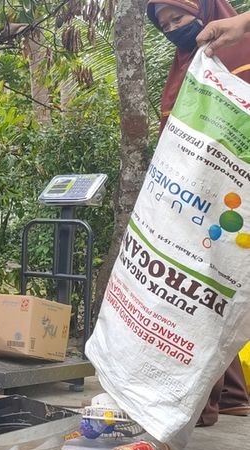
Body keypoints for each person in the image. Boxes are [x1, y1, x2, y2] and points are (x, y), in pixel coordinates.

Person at [147, 0, 250, 426]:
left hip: (231, 190)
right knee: (205, 289)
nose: (174, 27)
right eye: (165, 23)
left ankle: (199, 404)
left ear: (205, 10)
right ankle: (230, 396)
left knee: (200, 292)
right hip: (197, 194)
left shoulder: (239, 48)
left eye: (180, 16)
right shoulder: (186, 64)